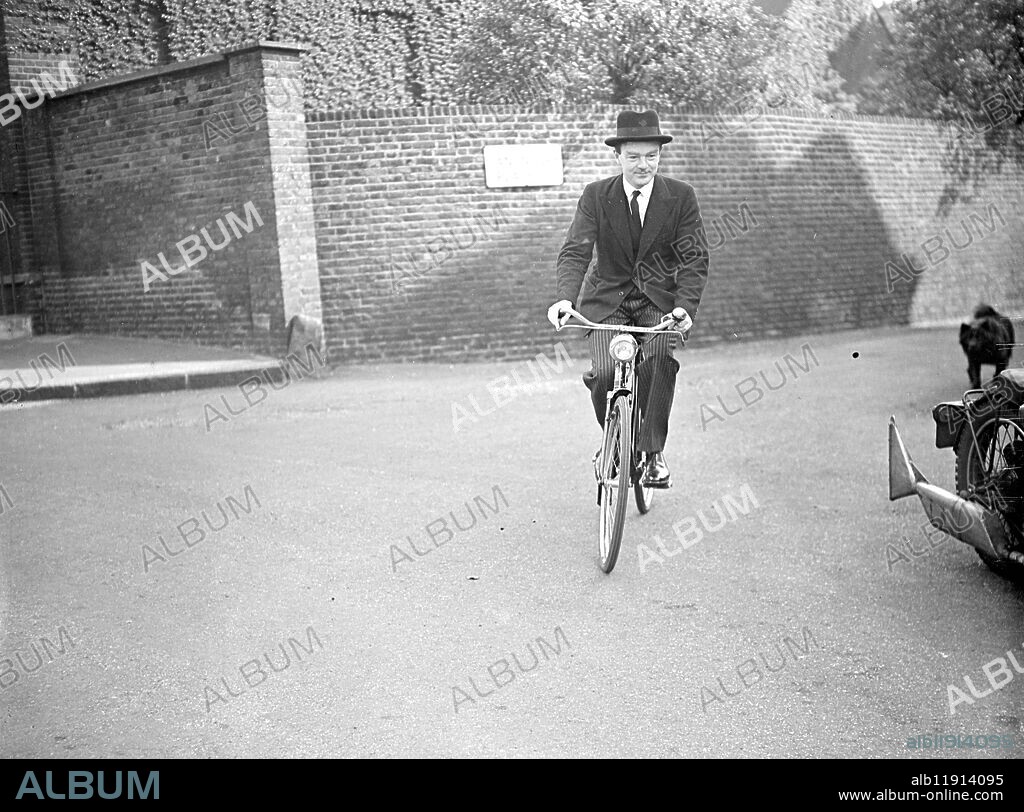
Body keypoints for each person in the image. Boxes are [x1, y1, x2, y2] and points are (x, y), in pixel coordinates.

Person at [547, 110, 709, 488]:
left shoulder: (681, 197)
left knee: (658, 362)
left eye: (651, 155)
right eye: (634, 156)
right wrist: (564, 299)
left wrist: (684, 306)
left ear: (660, 155)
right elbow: (575, 251)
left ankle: (652, 454)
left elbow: (694, 257)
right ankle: (615, 439)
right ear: (617, 156)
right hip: (608, 302)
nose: (644, 165)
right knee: (604, 374)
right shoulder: (597, 196)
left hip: (657, 303)